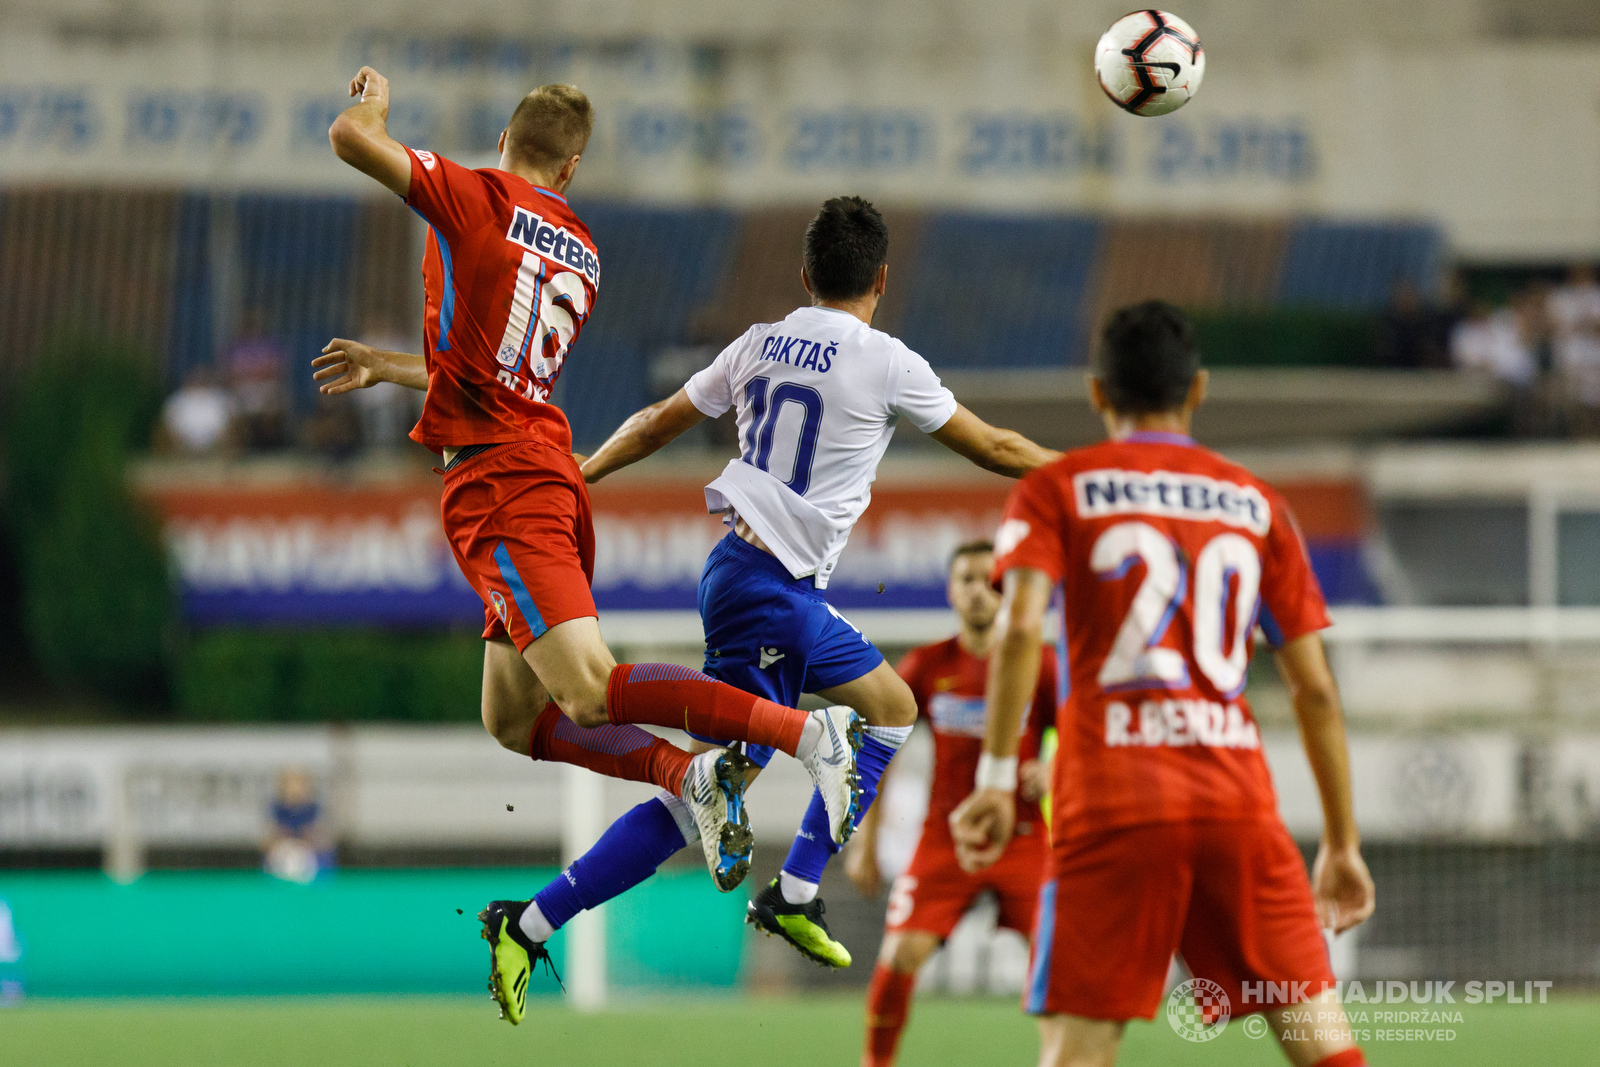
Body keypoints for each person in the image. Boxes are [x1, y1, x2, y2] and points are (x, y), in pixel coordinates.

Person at [313, 66, 864, 1025]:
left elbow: (349, 139)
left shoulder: (479, 196)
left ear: (504, 141)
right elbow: (486, 365)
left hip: (500, 484)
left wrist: (374, 101)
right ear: (572, 166)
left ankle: (808, 734)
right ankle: (675, 772)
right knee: (513, 719)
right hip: (538, 466)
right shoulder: (580, 248)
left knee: (586, 686)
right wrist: (389, 365)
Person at [504, 196, 1060, 976]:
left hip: (758, 580)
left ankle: (552, 918)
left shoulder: (758, 344)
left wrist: (584, 470)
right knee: (719, 775)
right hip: (768, 591)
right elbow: (995, 444)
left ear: (804, 274)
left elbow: (658, 421)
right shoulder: (889, 360)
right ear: (883, 280)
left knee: (876, 715)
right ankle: (548, 920)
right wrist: (1085, 473)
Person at [951, 301, 1376, 1067]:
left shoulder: (1060, 486)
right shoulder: (1258, 504)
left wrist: (992, 776)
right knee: (1326, 1049)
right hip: (1236, 801)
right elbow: (1314, 688)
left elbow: (1018, 628)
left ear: (1098, 394)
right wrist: (1341, 841)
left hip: (1110, 802)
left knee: (1079, 1053)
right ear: (1199, 390)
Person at [848, 540, 1056, 1067]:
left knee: (1061, 969)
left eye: (993, 580)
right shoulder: (926, 665)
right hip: (945, 838)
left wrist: (1056, 768)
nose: (981, 591)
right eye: (968, 579)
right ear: (951, 590)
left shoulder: (1044, 664)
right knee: (899, 957)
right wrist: (865, 843)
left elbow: (1086, 733)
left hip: (1025, 838)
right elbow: (880, 754)